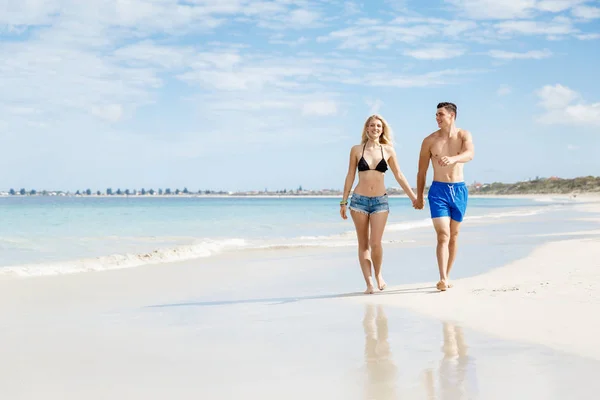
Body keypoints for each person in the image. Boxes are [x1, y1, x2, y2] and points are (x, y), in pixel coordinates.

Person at [340, 114, 418, 294]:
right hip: (358, 201)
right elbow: (350, 175)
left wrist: (413, 197)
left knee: (376, 242)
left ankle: (379, 275)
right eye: (372, 125)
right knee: (363, 244)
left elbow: (399, 175)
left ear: (382, 130)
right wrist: (344, 201)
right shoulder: (356, 150)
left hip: (380, 202)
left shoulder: (388, 150)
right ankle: (368, 283)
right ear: (366, 128)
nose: (375, 129)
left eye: (379, 126)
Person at [414, 102, 475, 291]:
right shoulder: (429, 141)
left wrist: (454, 158)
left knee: (454, 235)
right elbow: (421, 171)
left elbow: (470, 154)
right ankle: (441, 278)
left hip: (459, 190)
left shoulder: (464, 135)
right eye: (436, 115)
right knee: (443, 235)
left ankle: (447, 276)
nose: (437, 118)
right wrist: (420, 196)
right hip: (438, 191)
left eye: (441, 114)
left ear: (452, 116)